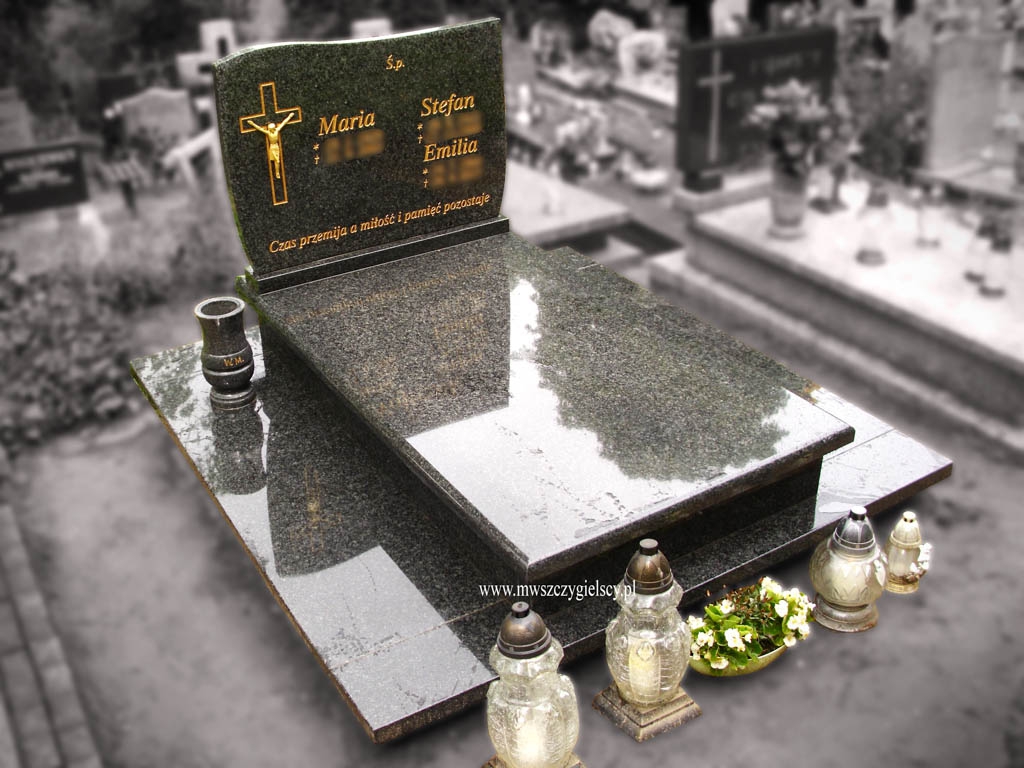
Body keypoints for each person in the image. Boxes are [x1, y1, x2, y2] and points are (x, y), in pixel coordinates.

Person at [246, 111, 296, 179]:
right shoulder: (268, 133)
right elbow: (260, 129)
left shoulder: (277, 130)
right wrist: (252, 124)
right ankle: (277, 173)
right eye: (270, 129)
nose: (271, 129)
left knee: (277, 160)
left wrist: (290, 116)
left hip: (276, 146)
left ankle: (277, 172)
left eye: (272, 128)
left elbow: (284, 123)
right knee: (277, 160)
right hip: (272, 147)